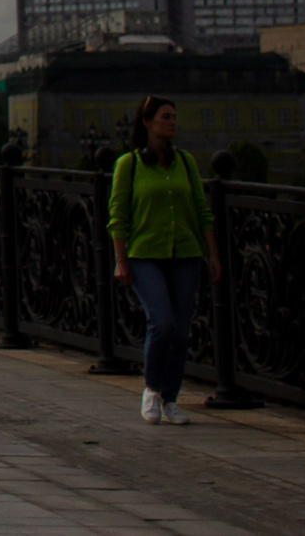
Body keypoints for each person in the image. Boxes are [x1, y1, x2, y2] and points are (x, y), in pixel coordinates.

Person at [110, 93, 220, 424]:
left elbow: (202, 210)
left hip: (185, 252)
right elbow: (118, 215)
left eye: (174, 117)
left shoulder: (185, 162)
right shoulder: (128, 165)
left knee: (182, 331)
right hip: (145, 253)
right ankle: (152, 389)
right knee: (162, 322)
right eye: (165, 117)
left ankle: (171, 399)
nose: (172, 123)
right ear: (146, 122)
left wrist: (212, 253)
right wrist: (120, 259)